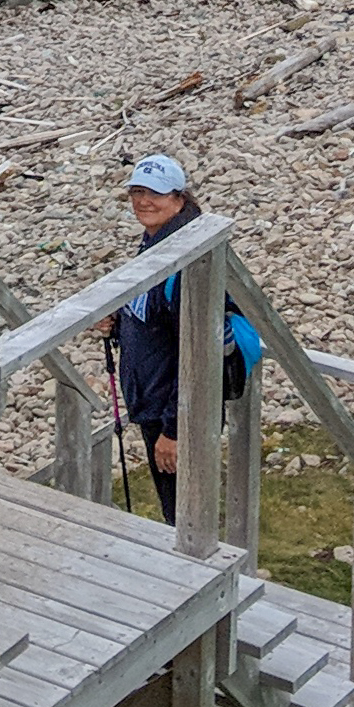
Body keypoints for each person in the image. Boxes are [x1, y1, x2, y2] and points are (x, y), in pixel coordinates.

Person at [100, 153, 253, 521]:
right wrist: (119, 322)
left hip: (177, 412)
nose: (142, 201)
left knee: (184, 512)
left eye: (155, 193)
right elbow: (156, 321)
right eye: (136, 191)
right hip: (157, 400)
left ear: (180, 198)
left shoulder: (186, 262)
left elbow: (198, 357)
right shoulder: (158, 242)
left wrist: (174, 430)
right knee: (175, 504)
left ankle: (196, 573)